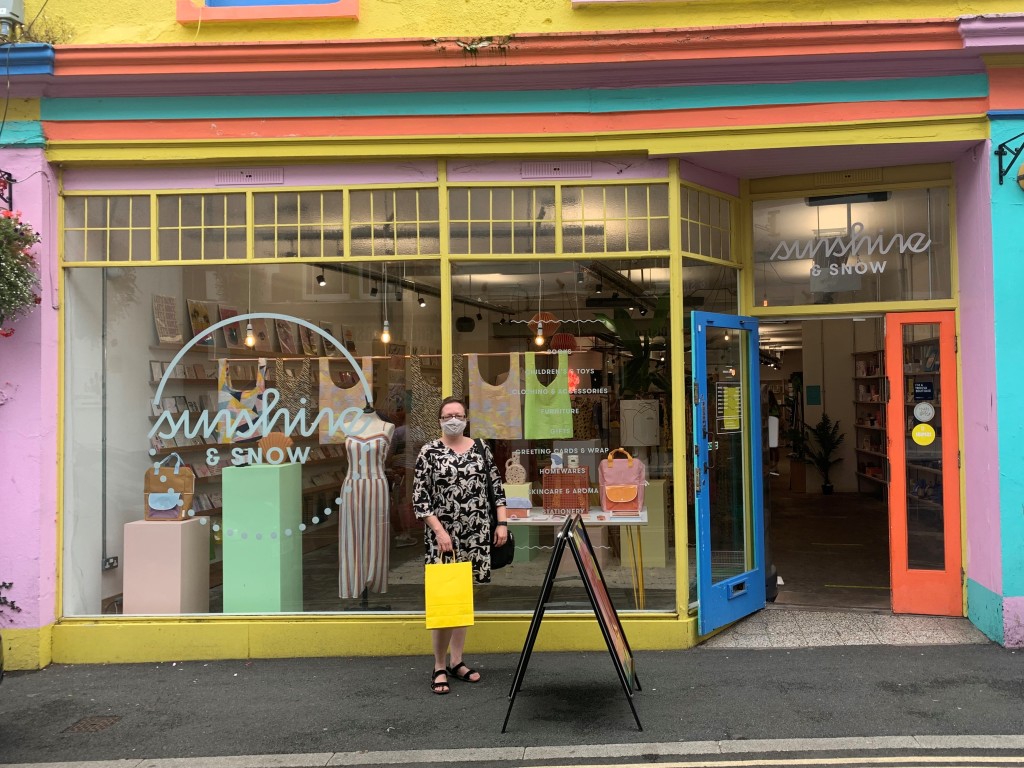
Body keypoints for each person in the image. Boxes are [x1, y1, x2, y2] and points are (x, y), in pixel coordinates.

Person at [412, 395, 508, 695]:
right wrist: (439, 532)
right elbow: (420, 499)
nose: (453, 419)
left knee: (462, 600)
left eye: (458, 414)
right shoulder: (428, 452)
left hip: (476, 535)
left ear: (466, 417)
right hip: (444, 540)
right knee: (444, 603)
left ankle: (457, 661)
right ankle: (439, 666)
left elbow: (496, 488)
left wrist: (501, 523)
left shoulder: (480, 449)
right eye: (447, 415)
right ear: (439, 420)